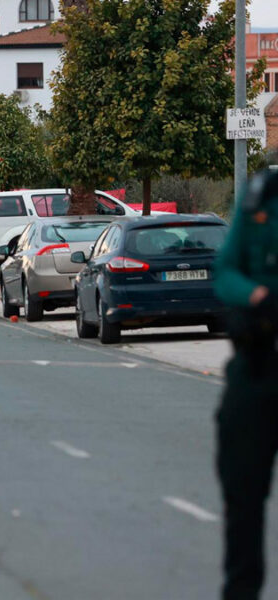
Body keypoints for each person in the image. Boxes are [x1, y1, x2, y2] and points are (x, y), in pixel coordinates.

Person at [214, 165, 278, 600]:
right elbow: (226, 270)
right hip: (260, 361)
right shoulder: (261, 197)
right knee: (242, 488)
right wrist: (258, 297)